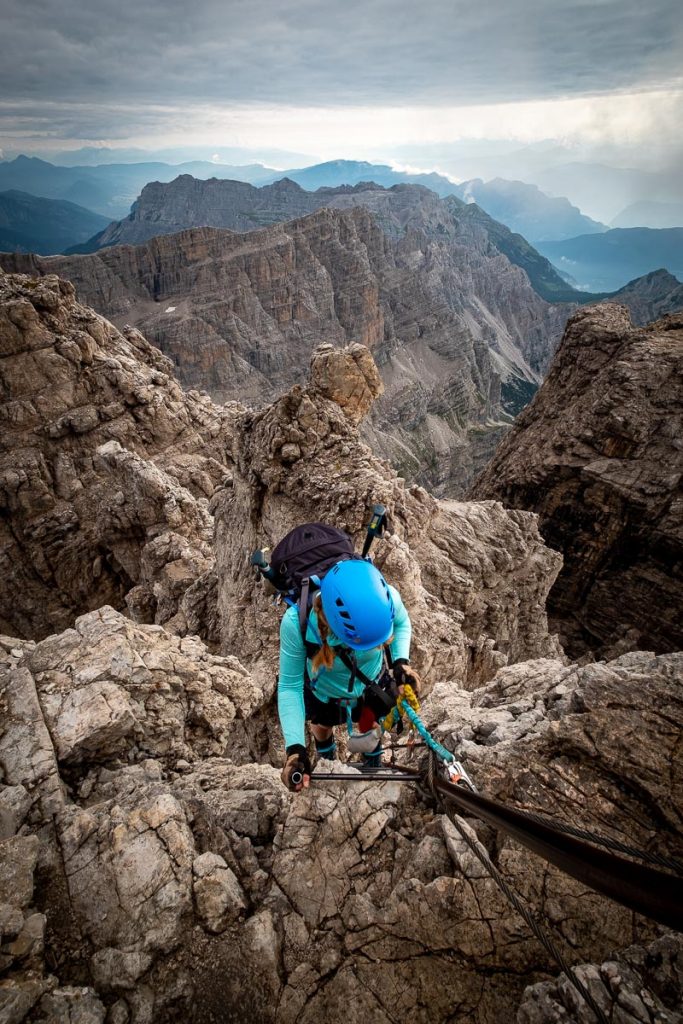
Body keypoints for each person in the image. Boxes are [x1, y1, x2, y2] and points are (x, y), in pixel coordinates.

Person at [278, 559, 418, 792]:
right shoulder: (296, 623)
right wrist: (295, 750)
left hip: (368, 682)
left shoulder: (388, 598)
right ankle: (329, 759)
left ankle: (371, 762)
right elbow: (289, 687)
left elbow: (402, 623)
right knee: (322, 727)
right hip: (324, 691)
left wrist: (401, 663)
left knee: (370, 725)